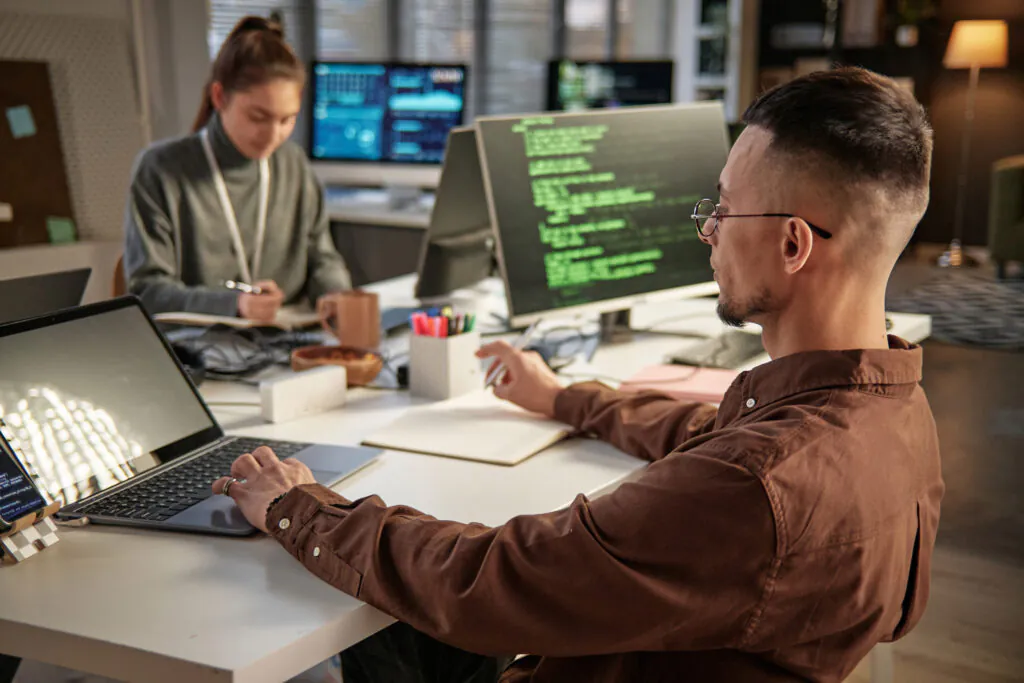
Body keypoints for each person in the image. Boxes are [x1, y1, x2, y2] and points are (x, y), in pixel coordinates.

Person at [212, 67, 944, 682]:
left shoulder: (750, 488)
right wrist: (561, 396)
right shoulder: (896, 417)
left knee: (340, 615)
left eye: (722, 207)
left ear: (792, 243)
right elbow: (710, 433)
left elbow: (493, 575)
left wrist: (298, 509)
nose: (708, 228)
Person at [123, 16, 351, 324]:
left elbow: (323, 257)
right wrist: (234, 304)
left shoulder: (293, 163)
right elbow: (147, 292)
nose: (273, 136)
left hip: (287, 337)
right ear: (219, 97)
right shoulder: (161, 170)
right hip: (198, 350)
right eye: (258, 117)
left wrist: (335, 292)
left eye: (287, 120)